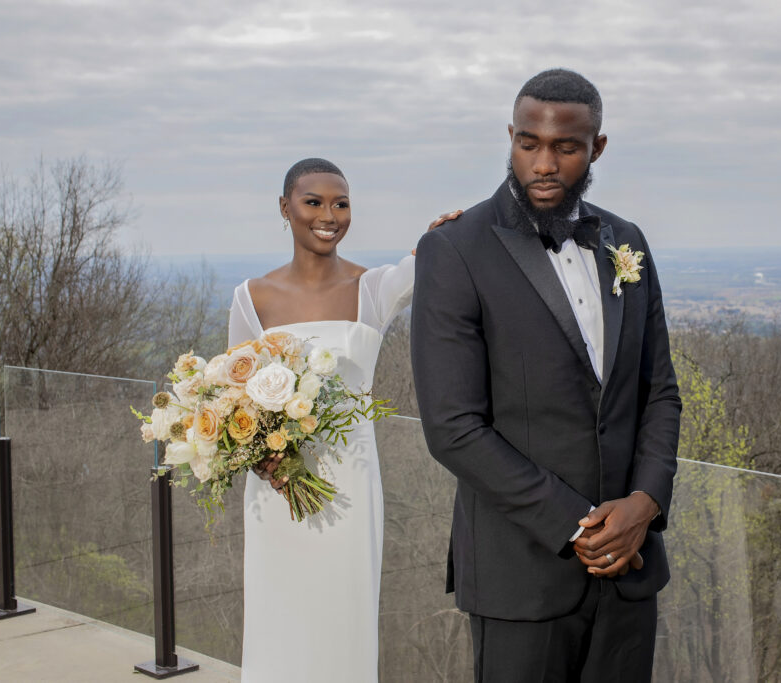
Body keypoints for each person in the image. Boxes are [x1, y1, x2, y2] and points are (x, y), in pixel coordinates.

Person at [410, 69, 681, 681]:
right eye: (528, 142)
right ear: (510, 136)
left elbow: (658, 391)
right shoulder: (454, 250)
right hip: (520, 577)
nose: (544, 163)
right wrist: (578, 526)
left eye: (565, 146)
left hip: (631, 569)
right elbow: (452, 427)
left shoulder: (627, 242)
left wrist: (645, 503)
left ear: (597, 148)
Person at [227, 158, 423, 683]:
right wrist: (262, 457)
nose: (329, 215)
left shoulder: (374, 288)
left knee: (344, 617)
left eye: (341, 203)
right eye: (313, 201)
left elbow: (436, 259)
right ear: (286, 207)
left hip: (350, 487)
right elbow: (233, 401)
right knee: (279, 617)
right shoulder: (252, 297)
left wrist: (450, 229)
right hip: (276, 492)